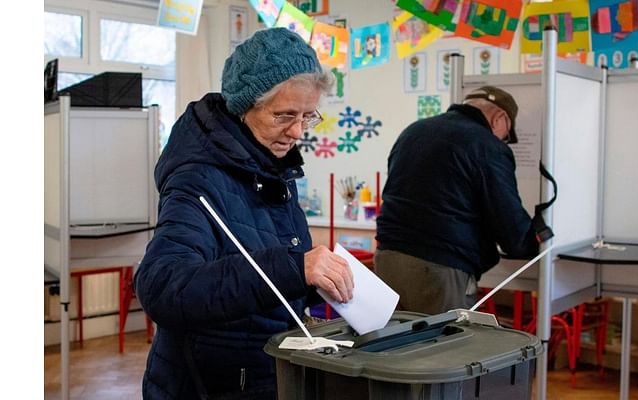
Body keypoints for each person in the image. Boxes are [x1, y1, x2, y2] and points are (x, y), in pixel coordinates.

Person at [134, 28, 354, 399]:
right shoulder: (198, 178)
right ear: (243, 106)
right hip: (206, 385)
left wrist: (320, 283)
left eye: (307, 116)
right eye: (283, 115)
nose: (297, 131)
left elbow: (263, 276)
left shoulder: (273, 170)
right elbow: (160, 286)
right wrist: (293, 268)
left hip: (260, 374)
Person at [374, 86, 544, 315]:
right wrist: (535, 240)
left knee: (399, 346)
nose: (503, 140)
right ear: (499, 118)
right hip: (439, 268)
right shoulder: (486, 145)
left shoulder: (414, 131)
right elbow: (507, 217)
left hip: (387, 259)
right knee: (446, 347)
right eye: (507, 135)